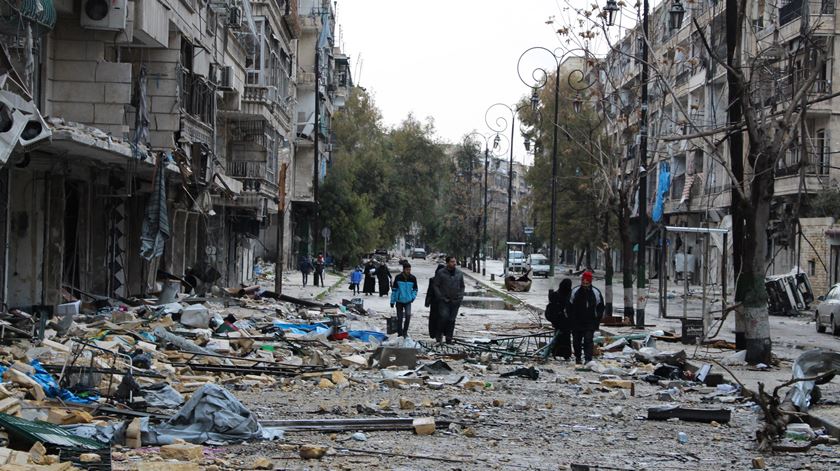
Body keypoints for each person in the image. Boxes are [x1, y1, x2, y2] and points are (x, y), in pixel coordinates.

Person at [567, 271, 605, 365]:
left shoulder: (595, 293)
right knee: (577, 341)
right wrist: (571, 319)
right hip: (576, 321)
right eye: (583, 283)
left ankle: (588, 359)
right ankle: (578, 357)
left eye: (587, 283)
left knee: (588, 340)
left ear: (590, 282)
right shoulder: (575, 291)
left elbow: (600, 307)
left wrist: (597, 320)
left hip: (590, 322)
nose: (585, 285)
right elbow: (569, 306)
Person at [432, 256, 465, 344]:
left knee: (451, 320)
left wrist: (460, 296)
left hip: (455, 300)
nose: (454, 263)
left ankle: (449, 337)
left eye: (455, 261)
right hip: (444, 300)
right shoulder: (441, 273)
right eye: (452, 262)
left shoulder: (459, 273)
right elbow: (435, 285)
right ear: (447, 263)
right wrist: (440, 296)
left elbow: (462, 286)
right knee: (444, 317)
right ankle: (439, 334)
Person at [545, 278, 573, 360]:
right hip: (566, 321)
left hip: (557, 320)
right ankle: (566, 353)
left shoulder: (556, 294)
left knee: (557, 337)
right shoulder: (570, 295)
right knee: (566, 338)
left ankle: (556, 352)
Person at [390, 263, 419, 337]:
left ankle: (405, 331)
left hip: (408, 301)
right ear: (403, 269)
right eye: (407, 270)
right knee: (399, 318)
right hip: (399, 301)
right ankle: (400, 333)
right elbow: (394, 290)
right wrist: (392, 301)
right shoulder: (398, 277)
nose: (409, 271)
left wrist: (412, 297)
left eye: (409, 269)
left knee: (408, 316)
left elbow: (415, 289)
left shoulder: (413, 278)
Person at [425, 264, 446, 339]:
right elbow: (430, 291)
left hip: (444, 303)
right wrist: (427, 301)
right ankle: (434, 333)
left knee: (442, 319)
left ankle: (440, 334)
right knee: (434, 319)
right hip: (435, 303)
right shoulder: (433, 280)